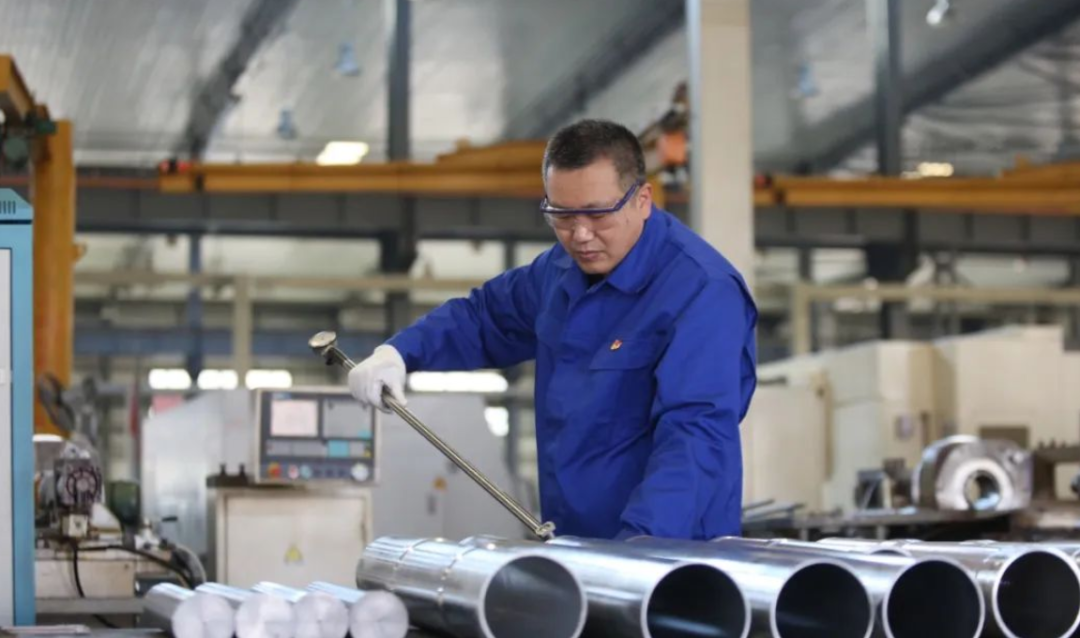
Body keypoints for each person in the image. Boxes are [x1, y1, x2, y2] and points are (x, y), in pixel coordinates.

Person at [349, 119, 757, 540]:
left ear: (643, 200)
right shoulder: (560, 273)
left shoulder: (702, 291)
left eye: (597, 214)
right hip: (575, 542)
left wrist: (641, 546)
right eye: (561, 215)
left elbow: (695, 438)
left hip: (669, 550)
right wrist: (400, 353)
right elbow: (484, 317)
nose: (580, 235)